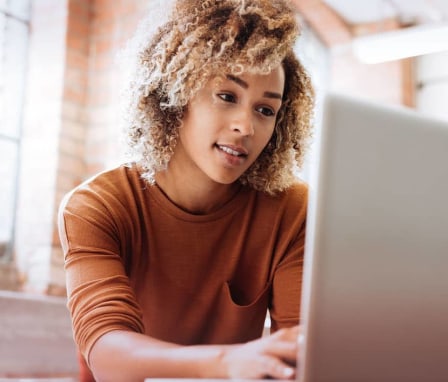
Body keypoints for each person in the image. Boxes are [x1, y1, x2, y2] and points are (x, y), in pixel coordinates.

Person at [58, 0, 314, 380]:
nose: (246, 126)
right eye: (227, 96)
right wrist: (226, 363)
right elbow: (108, 352)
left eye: (265, 110)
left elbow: (300, 351)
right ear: (175, 94)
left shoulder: (292, 210)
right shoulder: (97, 206)